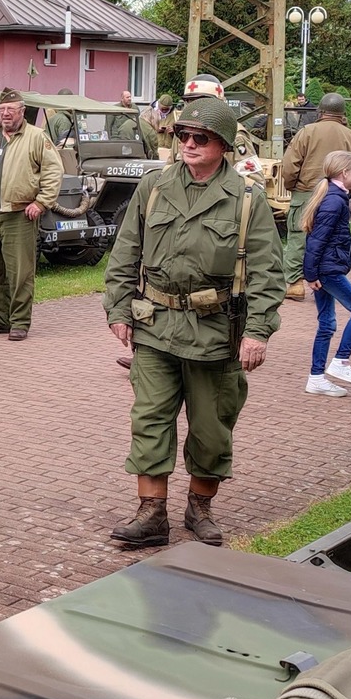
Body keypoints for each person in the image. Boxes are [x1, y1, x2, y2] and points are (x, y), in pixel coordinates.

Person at [103, 95, 283, 548]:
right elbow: (125, 252)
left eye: (200, 137)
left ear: (223, 144)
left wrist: (258, 331)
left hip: (215, 333)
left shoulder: (246, 199)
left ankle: (199, 507)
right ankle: (151, 514)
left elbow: (268, 273)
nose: (188, 143)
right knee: (150, 419)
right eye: (183, 134)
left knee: (211, 428)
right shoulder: (154, 187)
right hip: (156, 325)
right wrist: (118, 309)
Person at [0, 88, 64, 342]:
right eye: (2, 109)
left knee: (20, 273)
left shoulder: (36, 137)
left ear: (22, 111)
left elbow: (54, 171)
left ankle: (19, 322)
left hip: (20, 216)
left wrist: (41, 202)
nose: (6, 114)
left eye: (11, 109)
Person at [274, 92, 351, 301]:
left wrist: (293, 187)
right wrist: (348, 189)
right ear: (342, 114)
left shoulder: (306, 132)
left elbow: (290, 165)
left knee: (298, 237)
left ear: (320, 111)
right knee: (332, 238)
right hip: (337, 194)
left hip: (306, 192)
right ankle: (328, 283)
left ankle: (295, 284)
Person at [302, 151, 351, 398]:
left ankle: (316, 378)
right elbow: (316, 240)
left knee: (327, 324)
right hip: (328, 271)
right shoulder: (335, 201)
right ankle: (341, 361)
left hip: (324, 269)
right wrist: (310, 275)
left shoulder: (333, 196)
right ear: (344, 173)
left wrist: (311, 273)